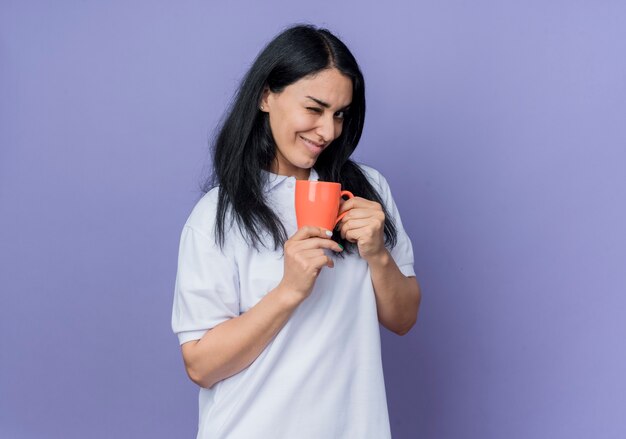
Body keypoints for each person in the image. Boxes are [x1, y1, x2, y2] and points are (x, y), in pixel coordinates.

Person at [171, 24, 421, 439]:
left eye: (340, 114)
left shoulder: (367, 193)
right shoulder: (218, 214)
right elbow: (200, 365)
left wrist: (378, 254)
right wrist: (288, 290)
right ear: (266, 96)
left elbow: (403, 318)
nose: (328, 131)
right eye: (315, 108)